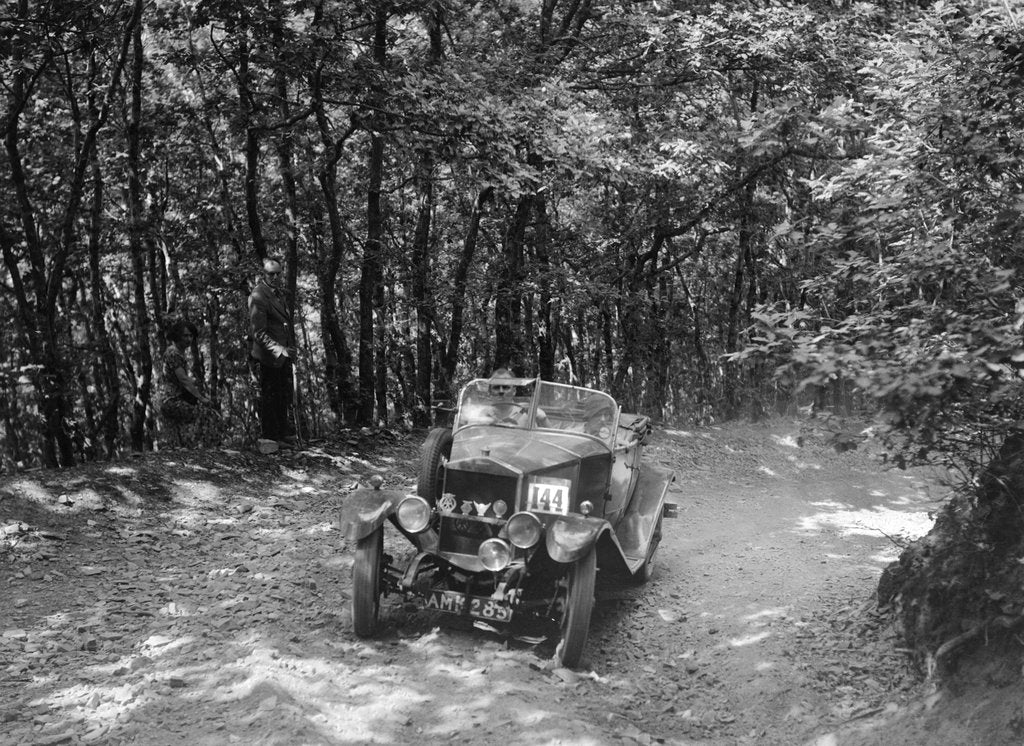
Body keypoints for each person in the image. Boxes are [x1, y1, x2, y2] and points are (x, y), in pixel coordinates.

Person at [248, 257, 296, 452]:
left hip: (282, 355)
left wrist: (288, 349)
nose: (275, 277)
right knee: (270, 396)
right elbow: (258, 333)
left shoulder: (278, 294)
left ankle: (282, 434)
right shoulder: (258, 296)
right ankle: (271, 437)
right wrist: (280, 349)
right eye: (271, 274)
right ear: (264, 274)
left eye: (278, 273)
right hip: (268, 357)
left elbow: (282, 325)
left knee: (282, 395)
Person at [159, 319, 217, 447]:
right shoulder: (173, 353)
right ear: (177, 336)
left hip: (174, 399)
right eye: (185, 335)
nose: (189, 339)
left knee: (178, 440)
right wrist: (201, 398)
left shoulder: (178, 353)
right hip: (170, 400)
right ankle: (207, 449)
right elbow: (184, 380)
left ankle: (191, 447)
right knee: (204, 413)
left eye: (191, 335)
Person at [462, 369, 547, 428]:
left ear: (514, 391)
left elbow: (550, 443)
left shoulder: (527, 413)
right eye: (496, 387)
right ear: (489, 392)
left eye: (505, 387)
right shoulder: (481, 416)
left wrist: (543, 420)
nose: (501, 391)